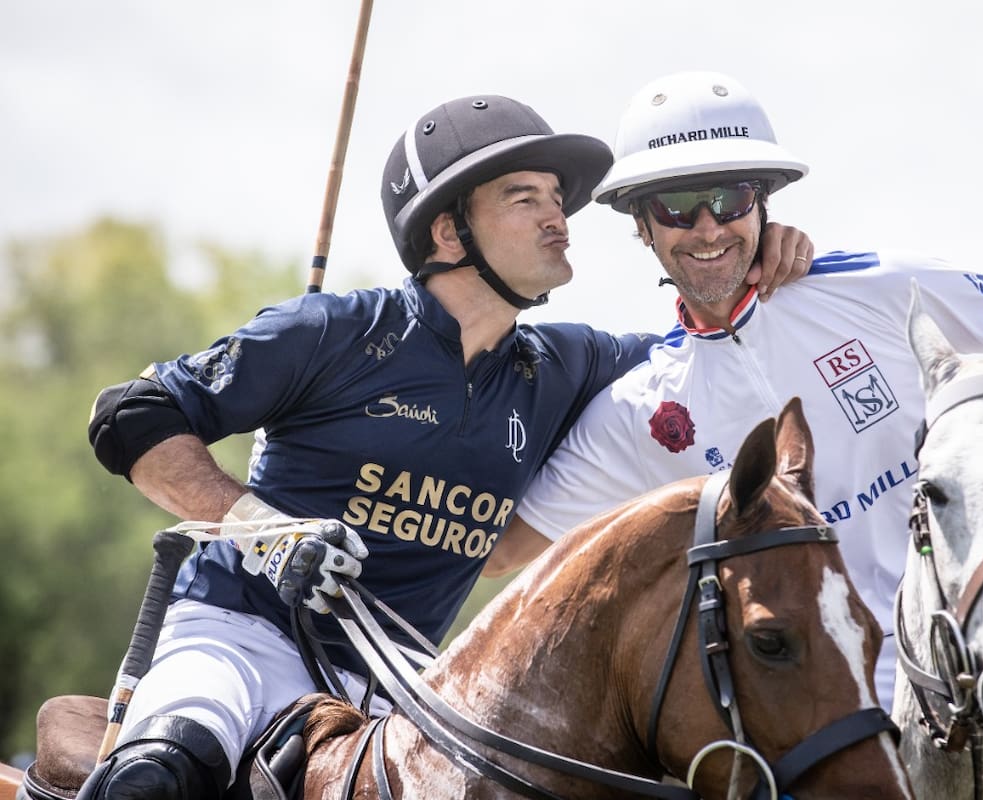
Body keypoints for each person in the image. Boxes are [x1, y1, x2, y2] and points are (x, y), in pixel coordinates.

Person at [79, 92, 812, 800]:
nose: (558, 217)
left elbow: (704, 351)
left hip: (397, 688)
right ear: (449, 233)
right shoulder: (336, 331)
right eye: (525, 198)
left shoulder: (568, 367)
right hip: (241, 638)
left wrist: (758, 260)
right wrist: (260, 528)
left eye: (557, 198)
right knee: (160, 775)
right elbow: (130, 414)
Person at [503, 71, 983, 799]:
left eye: (730, 198)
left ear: (762, 201)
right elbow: (506, 549)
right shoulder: (637, 413)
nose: (708, 227)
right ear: (640, 224)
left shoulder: (878, 288)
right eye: (676, 206)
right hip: (832, 697)